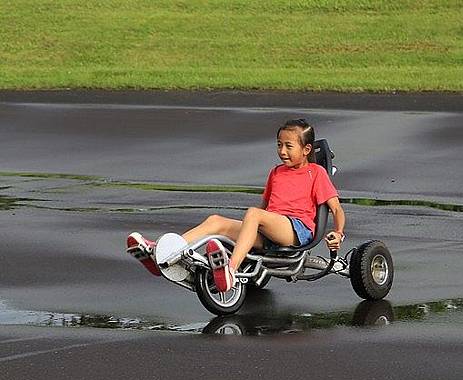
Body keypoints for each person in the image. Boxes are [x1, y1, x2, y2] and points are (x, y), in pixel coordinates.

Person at [127, 118, 346, 292]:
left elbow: (335, 208)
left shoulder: (316, 173)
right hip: (269, 228)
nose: (282, 151)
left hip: (296, 230)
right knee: (216, 222)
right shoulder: (276, 172)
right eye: (279, 145)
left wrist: (338, 232)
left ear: (307, 150)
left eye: (289, 146)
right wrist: (247, 231)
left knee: (254, 214)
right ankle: (164, 254)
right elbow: (265, 207)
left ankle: (230, 270)